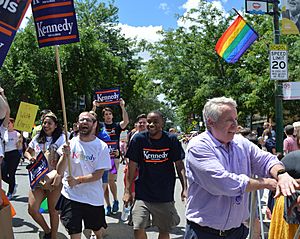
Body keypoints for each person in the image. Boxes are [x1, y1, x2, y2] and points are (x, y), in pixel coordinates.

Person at [184, 96, 298, 239]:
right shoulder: (198, 147)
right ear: (210, 122)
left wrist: (282, 174)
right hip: (203, 233)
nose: (235, 125)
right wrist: (267, 183)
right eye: (229, 120)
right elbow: (224, 183)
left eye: (235, 119)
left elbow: (266, 159)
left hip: (237, 231)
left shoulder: (240, 142)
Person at [123, 111, 187, 239]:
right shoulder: (139, 139)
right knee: (138, 227)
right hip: (143, 193)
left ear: (162, 123)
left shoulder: (171, 140)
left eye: (155, 122)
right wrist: (127, 191)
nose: (151, 124)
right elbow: (132, 166)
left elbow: (179, 165)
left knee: (164, 230)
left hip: (164, 195)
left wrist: (185, 188)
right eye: (149, 121)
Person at [54, 111, 111, 239]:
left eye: (88, 120)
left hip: (92, 198)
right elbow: (59, 171)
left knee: (97, 230)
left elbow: (98, 174)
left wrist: (77, 180)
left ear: (95, 124)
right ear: (77, 123)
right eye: (81, 120)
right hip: (71, 195)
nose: (84, 122)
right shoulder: (69, 143)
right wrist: (65, 155)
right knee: (74, 232)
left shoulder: (101, 146)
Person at [24, 112, 65, 239]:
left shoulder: (62, 138)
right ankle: (47, 231)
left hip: (53, 179)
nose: (46, 125)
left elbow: (64, 157)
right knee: (32, 209)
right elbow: (27, 152)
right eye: (44, 123)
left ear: (55, 125)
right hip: (37, 178)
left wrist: (58, 174)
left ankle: (53, 236)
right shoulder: (37, 137)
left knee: (53, 211)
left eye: (49, 123)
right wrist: (31, 158)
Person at [93, 99, 129, 215]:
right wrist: (94, 107)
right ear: (103, 117)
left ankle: (116, 201)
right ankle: (107, 205)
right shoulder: (100, 126)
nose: (108, 116)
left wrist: (122, 107)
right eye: (106, 114)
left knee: (111, 181)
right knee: (104, 182)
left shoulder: (117, 126)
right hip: (101, 158)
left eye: (109, 114)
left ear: (112, 116)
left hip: (114, 157)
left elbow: (126, 121)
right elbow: (90, 118)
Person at [1, 118, 23, 199]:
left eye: (9, 123)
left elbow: (19, 147)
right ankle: (13, 184)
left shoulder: (17, 134)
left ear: (13, 124)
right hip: (5, 155)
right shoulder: (4, 133)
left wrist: (20, 141)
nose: (7, 124)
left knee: (11, 173)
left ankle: (10, 192)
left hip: (14, 154)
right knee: (3, 174)